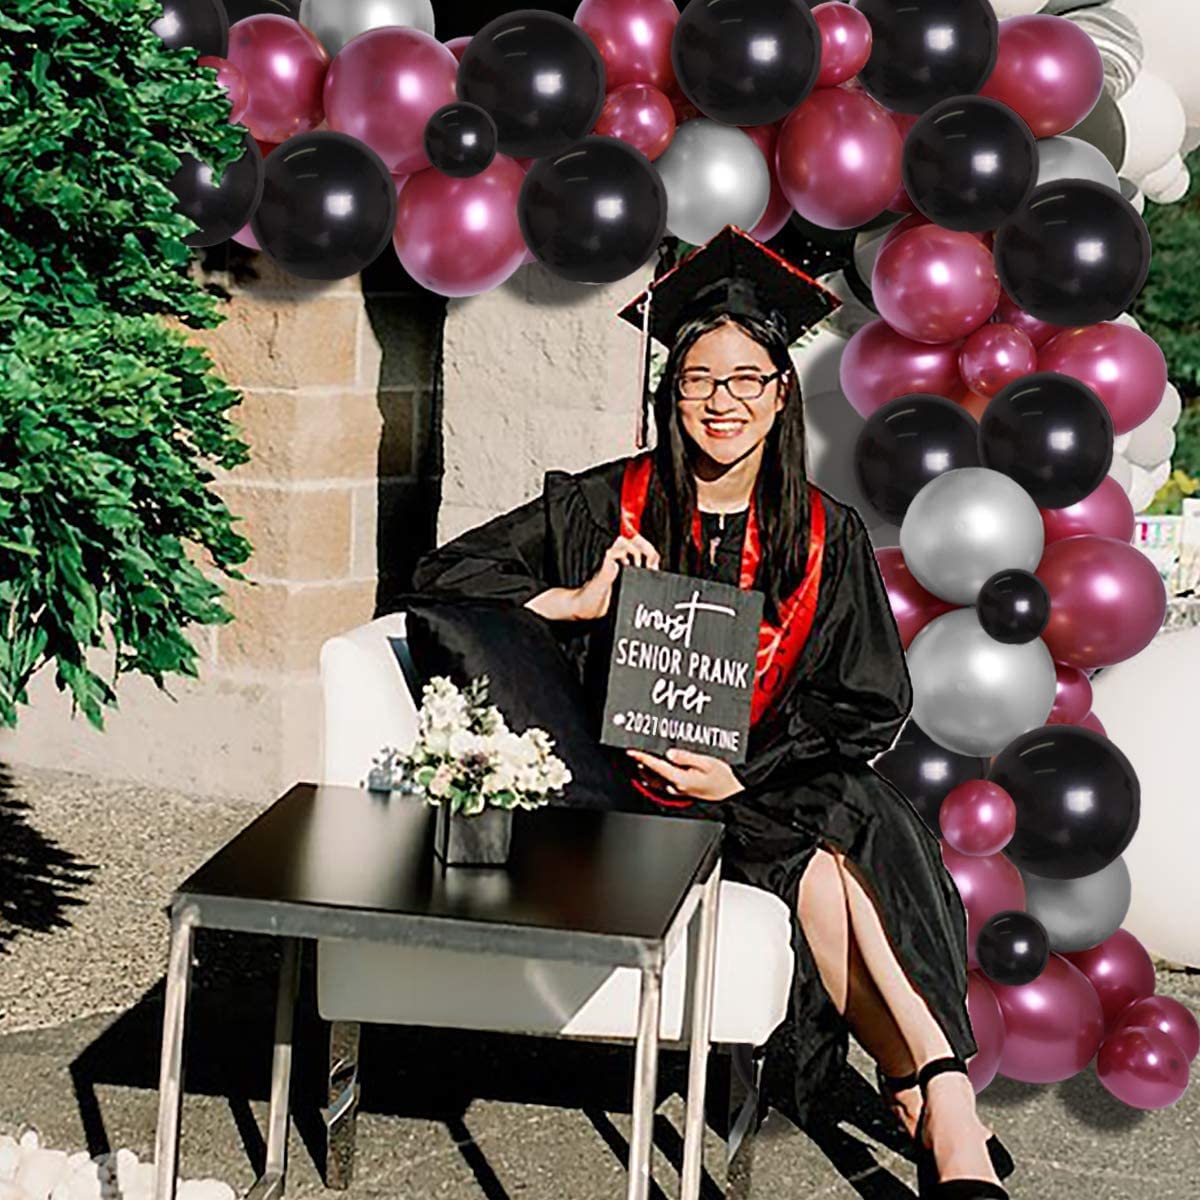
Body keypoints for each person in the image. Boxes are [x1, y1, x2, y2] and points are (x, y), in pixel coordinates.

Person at [413, 225, 1011, 1199]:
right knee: (845, 825)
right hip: (637, 800)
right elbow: (442, 576)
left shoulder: (821, 533)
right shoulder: (606, 509)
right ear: (670, 392)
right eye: (698, 379)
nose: (721, 402)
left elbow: (867, 698)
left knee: (832, 830)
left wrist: (750, 771)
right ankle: (936, 1095)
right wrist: (578, 600)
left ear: (781, 394)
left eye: (745, 379)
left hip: (760, 794)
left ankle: (938, 1099)